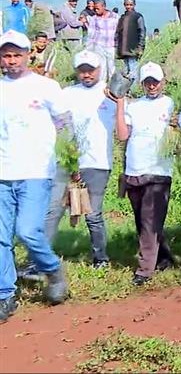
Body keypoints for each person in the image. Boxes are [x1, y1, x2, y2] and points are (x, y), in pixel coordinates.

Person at [0, 30, 71, 323]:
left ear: (28, 55)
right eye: (6, 55)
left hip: (36, 171)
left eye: (17, 55)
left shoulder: (46, 87)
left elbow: (65, 124)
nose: (11, 60)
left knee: (28, 231)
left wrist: (69, 160)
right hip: (3, 173)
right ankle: (5, 295)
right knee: (1, 238)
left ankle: (52, 269)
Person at [44, 50, 116, 268]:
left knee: (93, 214)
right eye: (82, 70)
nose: (87, 74)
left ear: (99, 69)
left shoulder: (110, 94)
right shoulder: (66, 93)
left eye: (91, 70)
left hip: (97, 163)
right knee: (53, 210)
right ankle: (39, 259)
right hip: (66, 161)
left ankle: (100, 259)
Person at [111, 62, 180, 286]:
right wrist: (120, 104)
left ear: (163, 82)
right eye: (148, 82)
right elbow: (123, 135)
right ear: (142, 83)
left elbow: (179, 138)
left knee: (149, 220)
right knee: (143, 221)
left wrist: (177, 126)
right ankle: (164, 258)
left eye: (155, 81)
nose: (152, 86)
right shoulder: (134, 107)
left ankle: (145, 270)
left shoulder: (172, 104)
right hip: (134, 170)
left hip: (159, 171)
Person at [84, 0, 118, 80]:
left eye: (98, 8)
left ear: (104, 7)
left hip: (111, 46)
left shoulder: (115, 17)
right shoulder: (94, 18)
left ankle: (112, 84)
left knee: (111, 67)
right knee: (102, 68)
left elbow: (119, 31)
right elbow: (91, 34)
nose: (96, 10)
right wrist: (88, 48)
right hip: (99, 46)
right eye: (95, 9)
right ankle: (102, 84)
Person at [115, 0, 146, 79]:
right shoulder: (122, 18)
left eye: (131, 5)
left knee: (133, 71)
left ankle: (134, 86)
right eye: (127, 5)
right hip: (123, 49)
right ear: (124, 5)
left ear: (134, 5)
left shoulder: (138, 17)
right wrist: (117, 47)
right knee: (125, 72)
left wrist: (140, 47)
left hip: (133, 49)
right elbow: (118, 33)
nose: (129, 7)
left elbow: (142, 32)